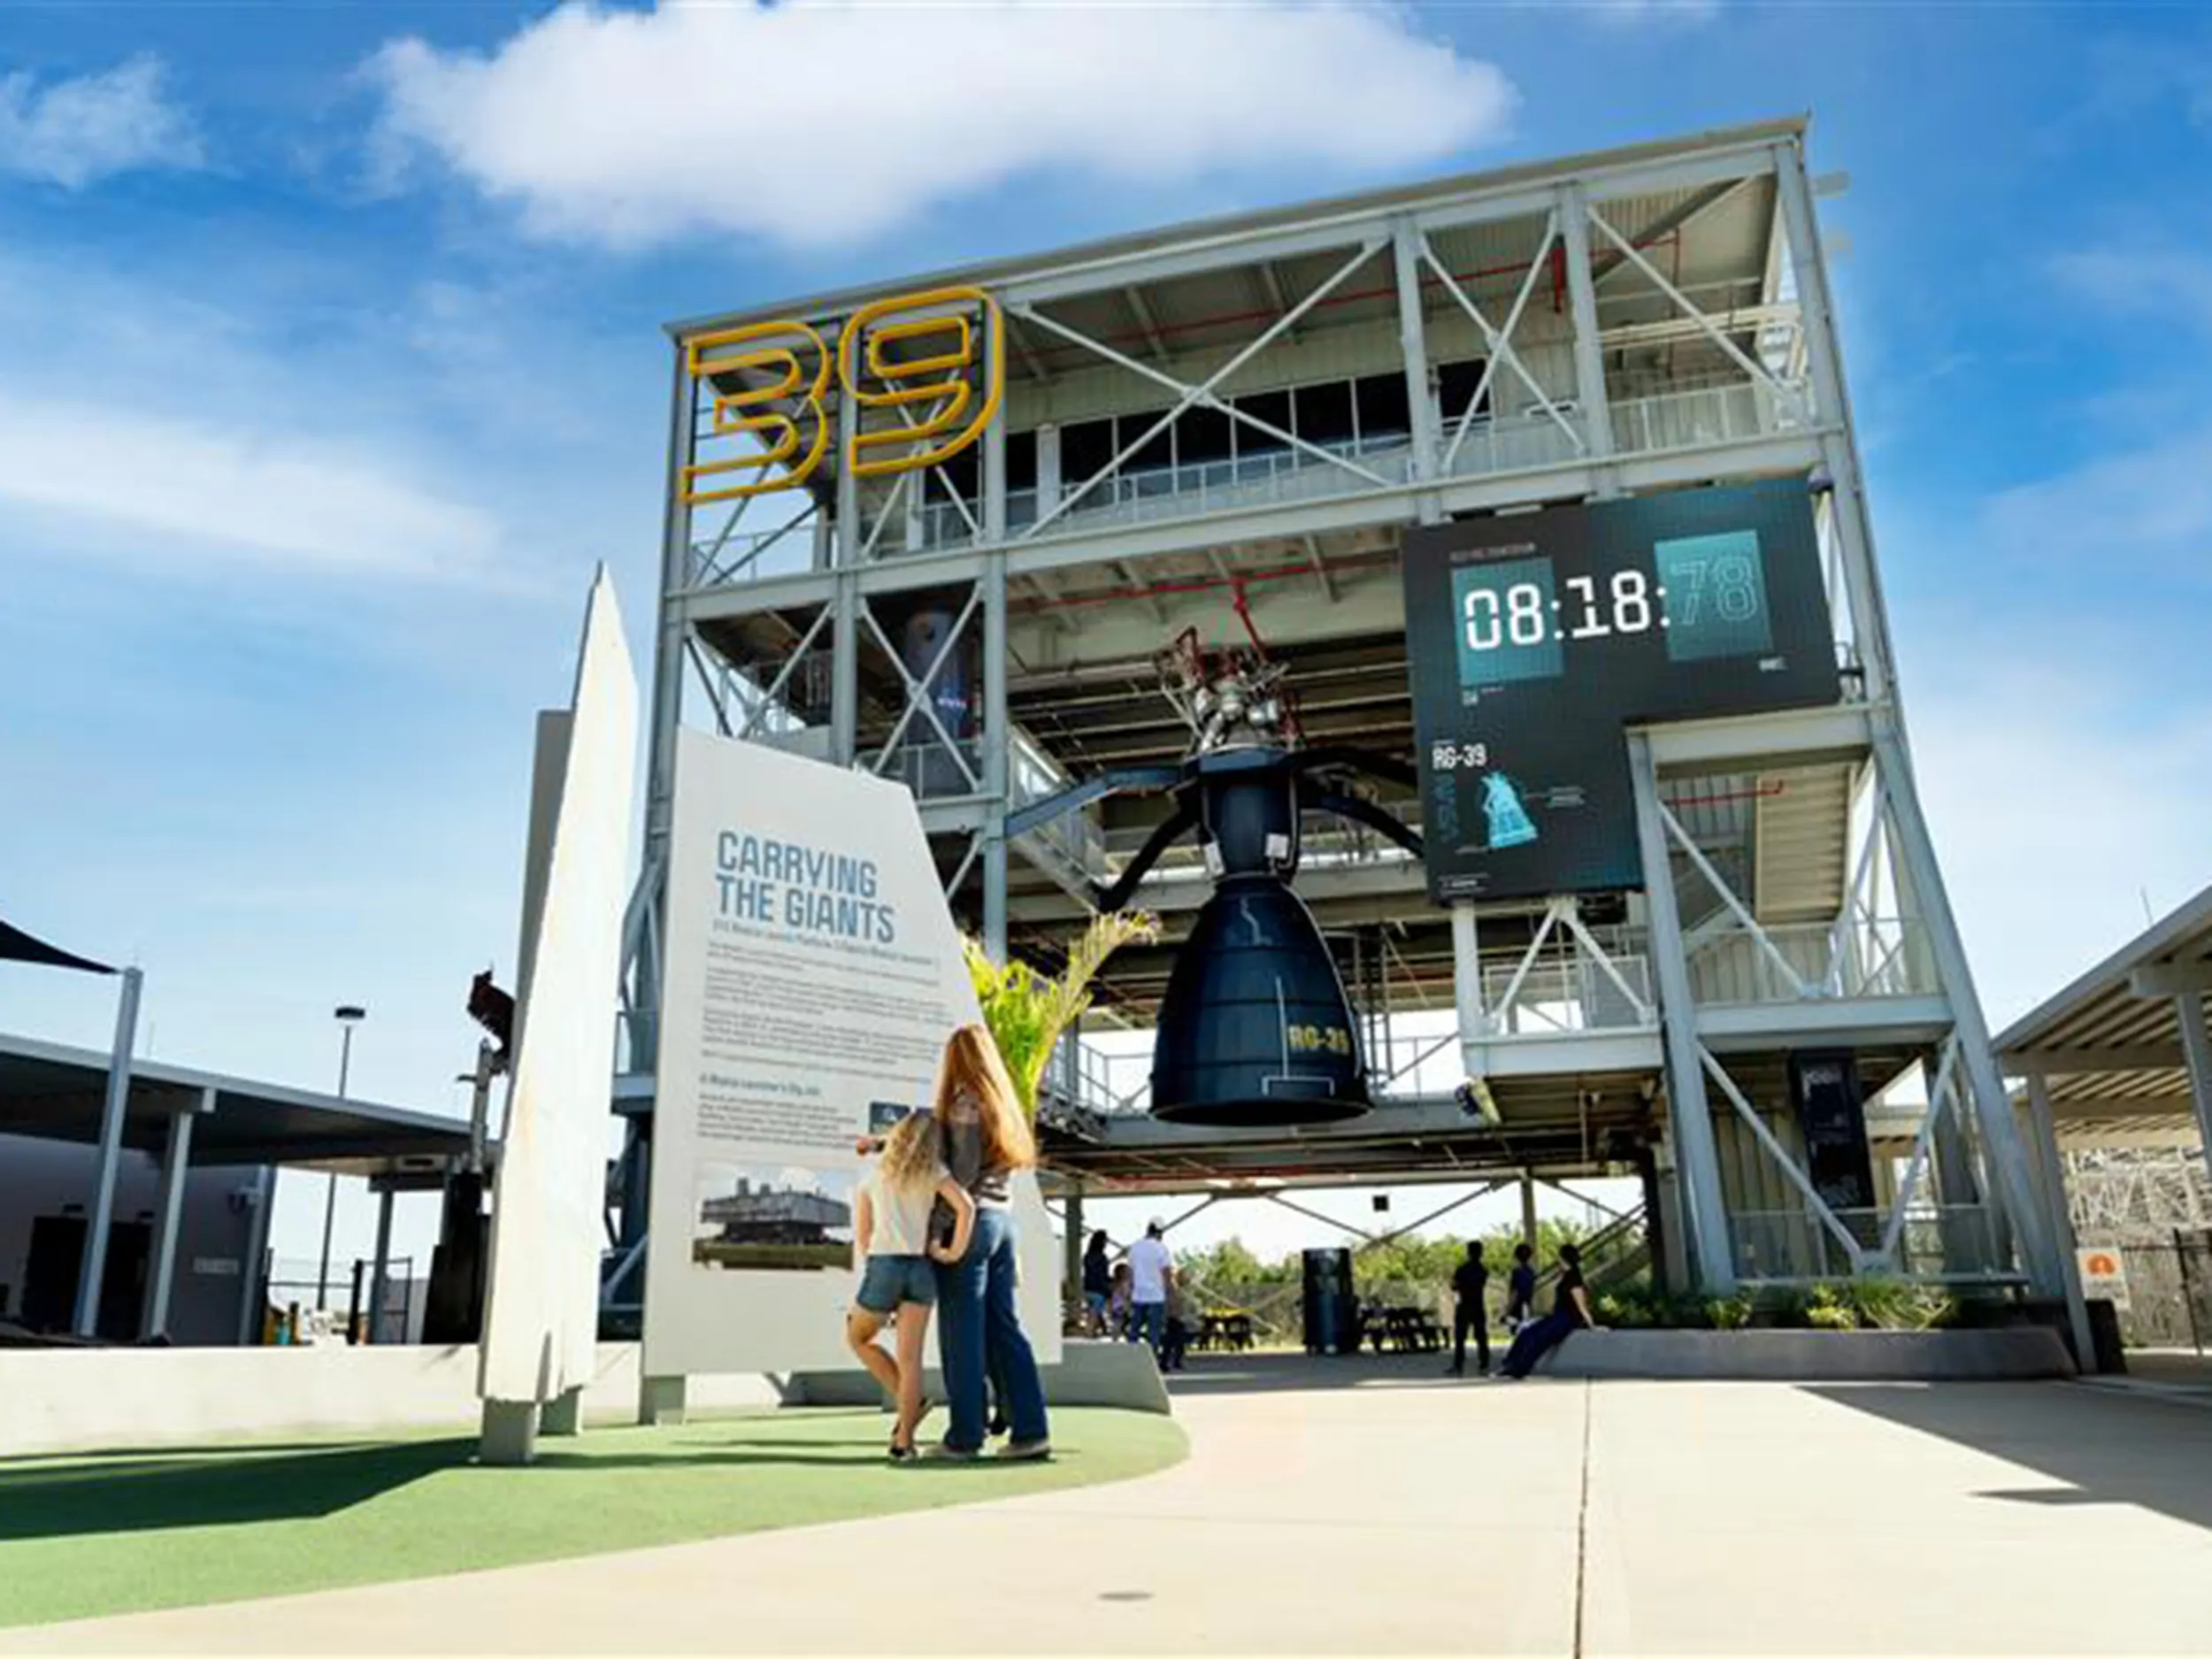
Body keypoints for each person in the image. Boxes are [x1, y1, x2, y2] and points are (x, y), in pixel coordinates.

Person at [927, 1023, 1052, 1462]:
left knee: (960, 1335)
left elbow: (960, 1179)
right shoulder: (1003, 1106)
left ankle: (964, 1436)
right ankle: (1031, 1430)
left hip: (970, 1225)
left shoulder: (964, 1103)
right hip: (1002, 1223)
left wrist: (936, 1232)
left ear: (956, 1059)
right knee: (1006, 1331)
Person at [847, 1111, 974, 1460]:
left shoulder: (875, 1174)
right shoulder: (934, 1171)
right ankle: (904, 1443)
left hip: (884, 1263)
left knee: (857, 1337)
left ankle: (913, 1403)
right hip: (921, 1267)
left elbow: (863, 1235)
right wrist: (953, 1252)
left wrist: (876, 1277)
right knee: (911, 1359)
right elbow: (966, 1208)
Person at [1499, 1242, 1598, 1380]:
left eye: (1559, 1257)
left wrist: (1592, 1325)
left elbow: (1581, 1305)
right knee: (1527, 1332)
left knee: (1539, 1338)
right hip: (1558, 1316)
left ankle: (1520, 1368)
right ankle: (1509, 1364)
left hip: (1567, 1319)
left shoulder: (1574, 1277)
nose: (1557, 1260)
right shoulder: (1565, 1276)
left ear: (1564, 1258)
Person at [1125, 1217, 1173, 1360]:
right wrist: (1170, 1292)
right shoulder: (1161, 1248)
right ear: (1160, 1232)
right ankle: (1152, 1360)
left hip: (1138, 1295)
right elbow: (1166, 1273)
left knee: (1134, 1330)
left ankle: (1131, 1358)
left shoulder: (1135, 1247)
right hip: (1156, 1296)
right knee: (1154, 1332)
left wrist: (1129, 1292)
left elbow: (1130, 1272)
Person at [1448, 1240, 1490, 1377]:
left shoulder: (1462, 1269)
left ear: (1468, 1252)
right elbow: (1482, 1283)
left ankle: (1458, 1364)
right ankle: (1484, 1363)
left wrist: (1459, 1286)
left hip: (1464, 1305)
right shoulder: (1483, 1270)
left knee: (1460, 1337)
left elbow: (1453, 1286)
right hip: (1478, 1304)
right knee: (1481, 1336)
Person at [1082, 1231, 1113, 1335]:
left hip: (1087, 1289)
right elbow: (1101, 1278)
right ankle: (1090, 1328)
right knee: (1100, 1305)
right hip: (1098, 1291)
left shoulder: (1087, 1256)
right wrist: (1109, 1291)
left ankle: (1099, 1328)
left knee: (1096, 1308)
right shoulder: (1102, 1258)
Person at [1503, 1241, 1538, 1333]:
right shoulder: (1531, 1272)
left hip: (1517, 1308)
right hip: (1528, 1305)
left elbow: (1515, 1293)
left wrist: (1507, 1310)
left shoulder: (1517, 1272)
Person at [1161, 1274, 1191, 1372]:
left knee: (1178, 1342)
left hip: (1179, 1318)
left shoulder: (1179, 1290)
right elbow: (1170, 1303)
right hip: (1173, 1318)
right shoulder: (1172, 1289)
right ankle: (1165, 1363)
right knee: (1171, 1342)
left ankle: (1175, 1362)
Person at [1108, 1260, 1133, 1339]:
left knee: (1118, 1326)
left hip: (1117, 1308)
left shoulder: (1115, 1284)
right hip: (1122, 1308)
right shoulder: (1124, 1284)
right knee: (1120, 1325)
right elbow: (1127, 1295)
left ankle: (1116, 1339)